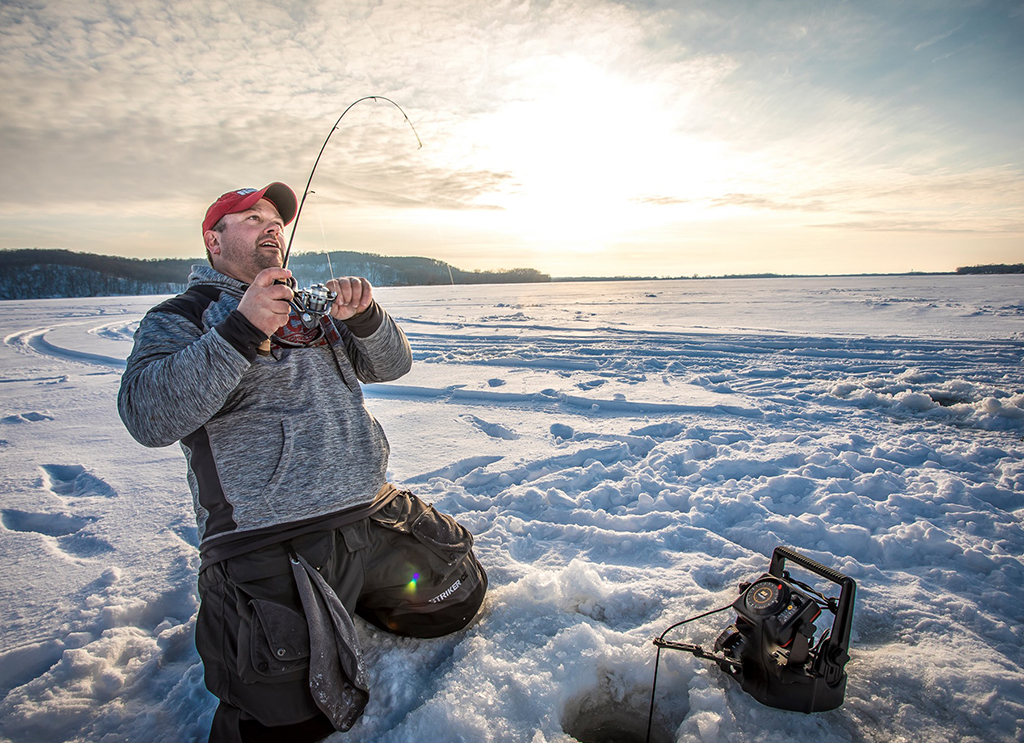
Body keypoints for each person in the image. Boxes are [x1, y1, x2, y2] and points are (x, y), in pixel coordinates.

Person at [118, 183, 487, 742]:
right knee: (289, 723)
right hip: (270, 541)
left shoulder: (309, 306)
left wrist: (366, 317)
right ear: (213, 240)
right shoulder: (184, 316)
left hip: (370, 510)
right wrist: (240, 329)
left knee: (457, 601)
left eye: (274, 217)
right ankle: (317, 614)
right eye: (249, 217)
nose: (271, 225)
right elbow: (149, 417)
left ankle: (348, 598)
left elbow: (393, 365)